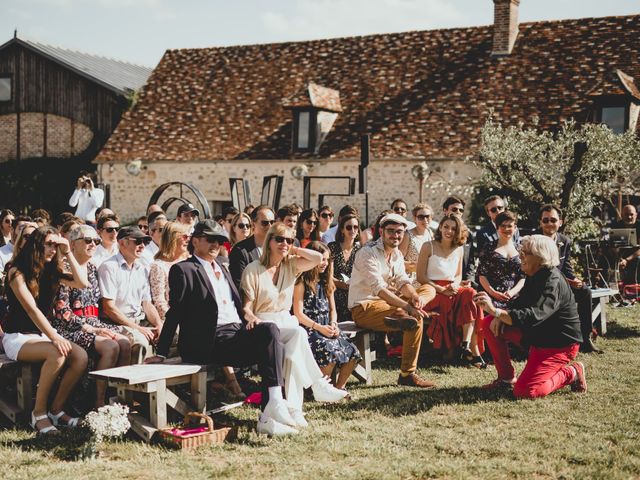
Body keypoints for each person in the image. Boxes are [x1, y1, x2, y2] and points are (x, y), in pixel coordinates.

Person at [146, 220, 299, 436]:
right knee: (271, 340)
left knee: (270, 333)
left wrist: (249, 315)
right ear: (195, 241)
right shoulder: (184, 269)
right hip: (207, 341)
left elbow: (236, 305)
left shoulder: (222, 268)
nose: (216, 244)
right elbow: (175, 313)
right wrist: (161, 352)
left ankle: (272, 407)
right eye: (210, 239)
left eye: (220, 240)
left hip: (234, 333)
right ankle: (272, 409)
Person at [241, 223, 349, 422]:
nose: (285, 244)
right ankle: (318, 385)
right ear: (269, 241)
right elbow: (246, 308)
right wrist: (252, 318)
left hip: (285, 321)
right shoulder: (253, 269)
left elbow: (317, 258)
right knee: (298, 333)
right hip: (264, 324)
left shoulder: (290, 265)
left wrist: (294, 248)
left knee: (292, 356)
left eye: (289, 240)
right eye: (279, 239)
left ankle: (294, 411)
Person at [474, 235, 587, 398]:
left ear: (541, 257)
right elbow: (520, 303)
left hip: (557, 344)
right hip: (537, 336)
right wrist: (497, 316)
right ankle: (506, 378)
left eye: (526, 252)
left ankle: (572, 372)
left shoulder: (552, 280)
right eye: (521, 250)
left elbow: (534, 315)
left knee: (526, 391)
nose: (520, 255)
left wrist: (497, 311)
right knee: (489, 323)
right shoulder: (534, 274)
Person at [2, 226, 89, 433]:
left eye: (55, 245)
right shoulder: (17, 272)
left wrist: (67, 251)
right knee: (58, 352)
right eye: (48, 244)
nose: (52, 249)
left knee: (81, 357)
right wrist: (54, 337)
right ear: (36, 245)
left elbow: (82, 283)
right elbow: (32, 310)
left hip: (42, 335)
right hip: (18, 337)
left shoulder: (51, 272)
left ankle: (56, 411)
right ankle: (38, 413)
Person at [349, 213, 436, 387]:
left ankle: (404, 314)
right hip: (364, 307)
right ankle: (407, 374)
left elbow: (403, 281)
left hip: (388, 302)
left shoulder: (396, 253)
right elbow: (379, 289)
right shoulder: (367, 252)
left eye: (399, 232)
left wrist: (414, 297)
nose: (395, 236)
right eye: (391, 231)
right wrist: (407, 306)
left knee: (429, 289)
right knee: (414, 320)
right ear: (381, 231)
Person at [51, 225, 131, 407]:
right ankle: (98, 403)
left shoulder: (93, 269)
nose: (93, 244)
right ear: (72, 244)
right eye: (87, 240)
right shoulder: (62, 269)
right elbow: (62, 311)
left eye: (96, 241)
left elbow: (96, 306)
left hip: (93, 322)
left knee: (125, 342)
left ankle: (118, 399)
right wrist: (92, 328)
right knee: (110, 346)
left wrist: (98, 326)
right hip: (68, 327)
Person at [417, 214, 484, 367]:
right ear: (440, 227)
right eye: (446, 227)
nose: (449, 231)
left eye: (454, 228)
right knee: (451, 300)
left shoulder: (459, 249)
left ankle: (466, 345)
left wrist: (455, 285)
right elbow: (421, 276)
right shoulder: (428, 246)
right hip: (431, 290)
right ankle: (463, 350)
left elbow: (458, 274)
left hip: (452, 288)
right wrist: (441, 289)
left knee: (471, 294)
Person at [293, 241, 361, 390]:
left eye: (327, 259)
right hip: (309, 327)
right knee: (329, 351)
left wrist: (334, 324)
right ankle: (324, 389)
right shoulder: (301, 282)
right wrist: (320, 328)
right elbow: (298, 314)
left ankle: (339, 387)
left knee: (353, 352)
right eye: (321, 259)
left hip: (327, 326)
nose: (324, 263)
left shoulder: (326, 282)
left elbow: (332, 310)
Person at [538, 204, 601, 353]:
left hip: (561, 283)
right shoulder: (535, 240)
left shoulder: (564, 241)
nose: (549, 223)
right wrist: (566, 281)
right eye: (545, 220)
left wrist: (575, 280)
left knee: (585, 291)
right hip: (541, 285)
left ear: (561, 222)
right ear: (540, 222)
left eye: (553, 220)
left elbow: (566, 267)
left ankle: (585, 338)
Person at [98, 226, 163, 363]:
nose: (142, 246)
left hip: (138, 321)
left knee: (172, 336)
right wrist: (138, 329)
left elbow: (147, 303)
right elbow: (109, 308)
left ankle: (164, 382)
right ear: (122, 243)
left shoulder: (142, 269)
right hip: (117, 322)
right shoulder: (109, 267)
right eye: (137, 241)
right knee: (141, 343)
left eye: (144, 242)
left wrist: (159, 324)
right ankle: (131, 383)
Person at [477, 210, 525, 310]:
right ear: (497, 228)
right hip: (491, 298)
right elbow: (481, 275)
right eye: (503, 226)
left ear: (515, 228)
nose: (506, 229)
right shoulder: (488, 248)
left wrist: (512, 293)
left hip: (515, 299)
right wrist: (493, 293)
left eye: (510, 226)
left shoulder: (521, 249)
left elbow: (523, 276)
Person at [149, 221, 191, 320]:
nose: (188, 240)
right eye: (184, 237)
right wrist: (175, 321)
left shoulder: (190, 261)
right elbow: (159, 302)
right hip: (174, 320)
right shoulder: (158, 266)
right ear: (172, 239)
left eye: (189, 236)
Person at [229, 205, 275, 290]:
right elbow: (240, 285)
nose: (269, 226)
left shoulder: (279, 246)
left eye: (272, 222)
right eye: (265, 223)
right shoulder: (240, 250)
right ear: (254, 224)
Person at [328, 214, 361, 322]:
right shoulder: (333, 247)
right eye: (349, 227)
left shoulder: (360, 250)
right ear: (342, 230)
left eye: (355, 227)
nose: (352, 230)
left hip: (354, 293)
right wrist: (343, 285)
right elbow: (328, 275)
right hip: (335, 292)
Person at [442, 196, 476, 286]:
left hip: (464, 283)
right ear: (445, 211)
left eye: (461, 210)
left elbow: (470, 263)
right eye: (454, 209)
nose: (458, 212)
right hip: (444, 283)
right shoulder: (439, 234)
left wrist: (469, 280)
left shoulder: (468, 235)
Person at [400, 203, 434, 273]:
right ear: (415, 219)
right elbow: (398, 261)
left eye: (428, 216)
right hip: (412, 277)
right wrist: (415, 266)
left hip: (428, 275)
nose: (425, 219)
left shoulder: (430, 233)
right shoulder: (408, 235)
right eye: (421, 217)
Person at [615, 204, 640, 286]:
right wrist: (619, 259)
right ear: (622, 215)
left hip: (635, 256)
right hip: (620, 256)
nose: (629, 217)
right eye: (626, 215)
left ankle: (634, 288)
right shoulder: (617, 225)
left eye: (631, 214)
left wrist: (627, 260)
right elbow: (613, 245)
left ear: (636, 215)